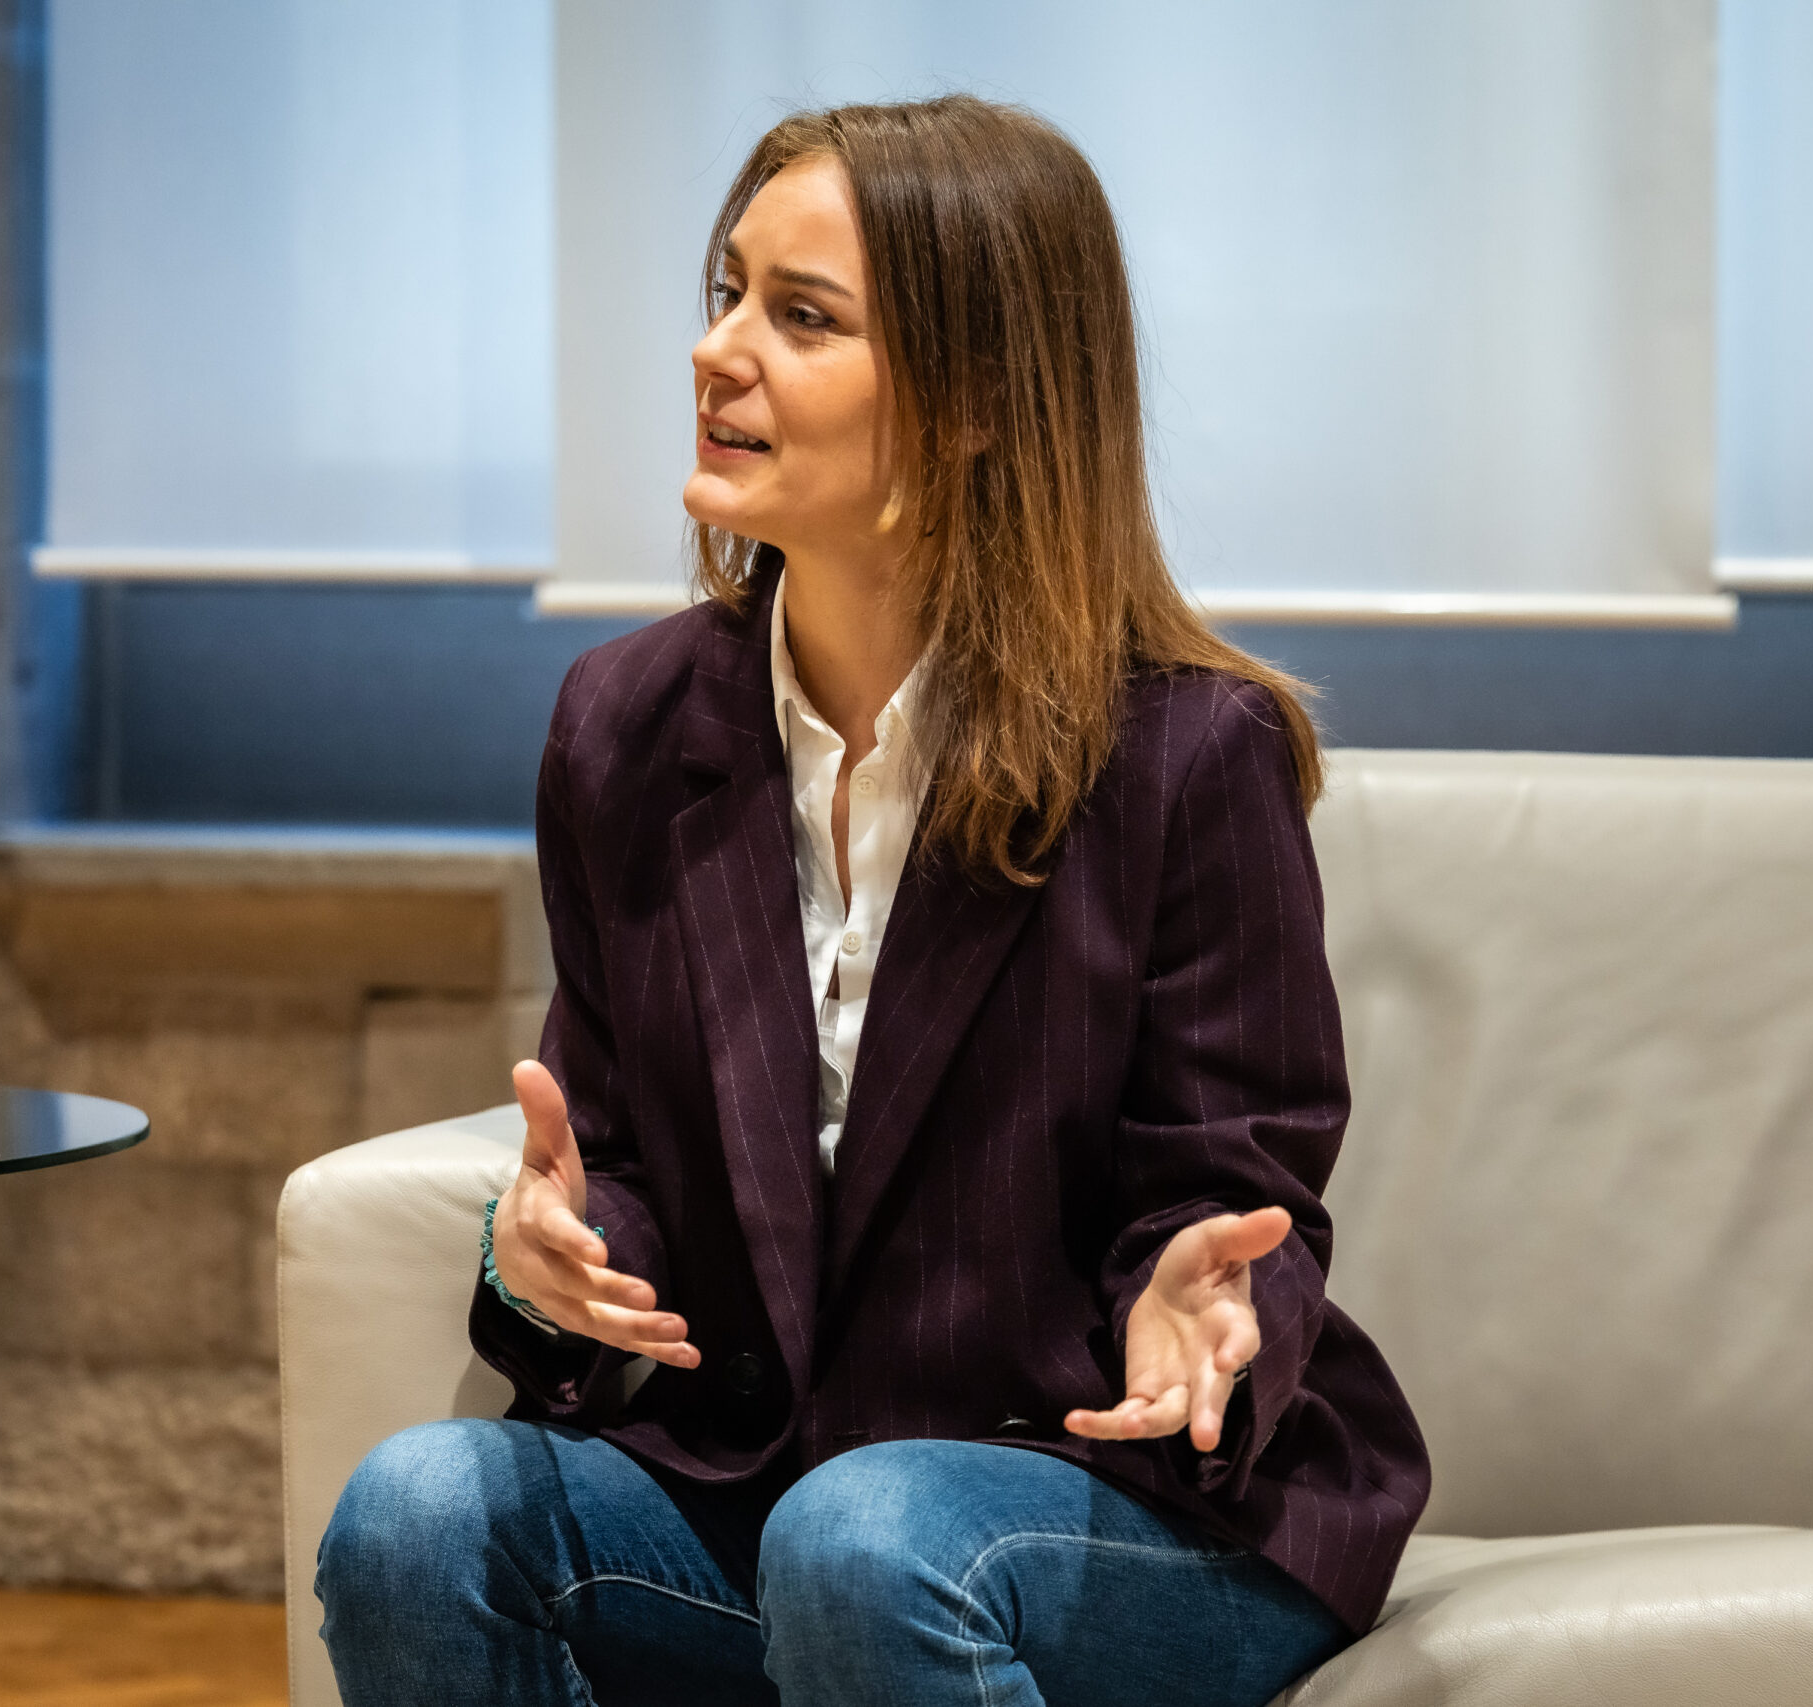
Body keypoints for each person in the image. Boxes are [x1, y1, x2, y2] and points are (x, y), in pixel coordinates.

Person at [316, 94, 1428, 1707]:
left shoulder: (1188, 754)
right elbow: (621, 1159)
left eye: (804, 316)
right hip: (770, 1496)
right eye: (728, 294)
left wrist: (1196, 1300)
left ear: (977, 397)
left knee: (866, 1539)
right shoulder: (624, 727)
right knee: (419, 1513)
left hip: (1106, 1497)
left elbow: (1227, 1192)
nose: (717, 352)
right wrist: (560, 1248)